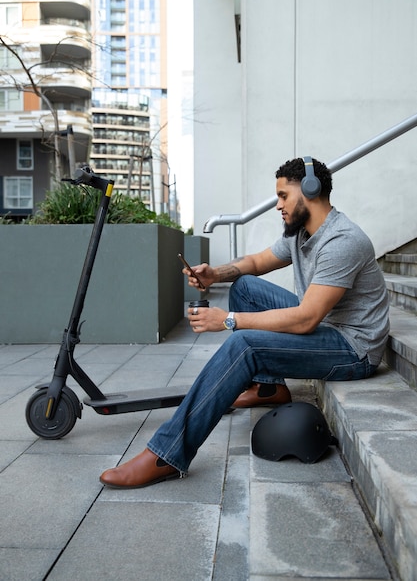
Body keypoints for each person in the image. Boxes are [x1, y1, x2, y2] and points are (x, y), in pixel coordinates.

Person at [100, 157, 390, 489]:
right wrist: (216, 274)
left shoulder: (342, 241)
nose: (278, 205)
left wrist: (228, 321)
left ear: (311, 189)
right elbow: (255, 262)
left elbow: (306, 319)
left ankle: (167, 453)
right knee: (246, 287)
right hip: (329, 325)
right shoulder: (301, 233)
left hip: (353, 348)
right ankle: (269, 388)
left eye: (283, 195)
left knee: (244, 343)